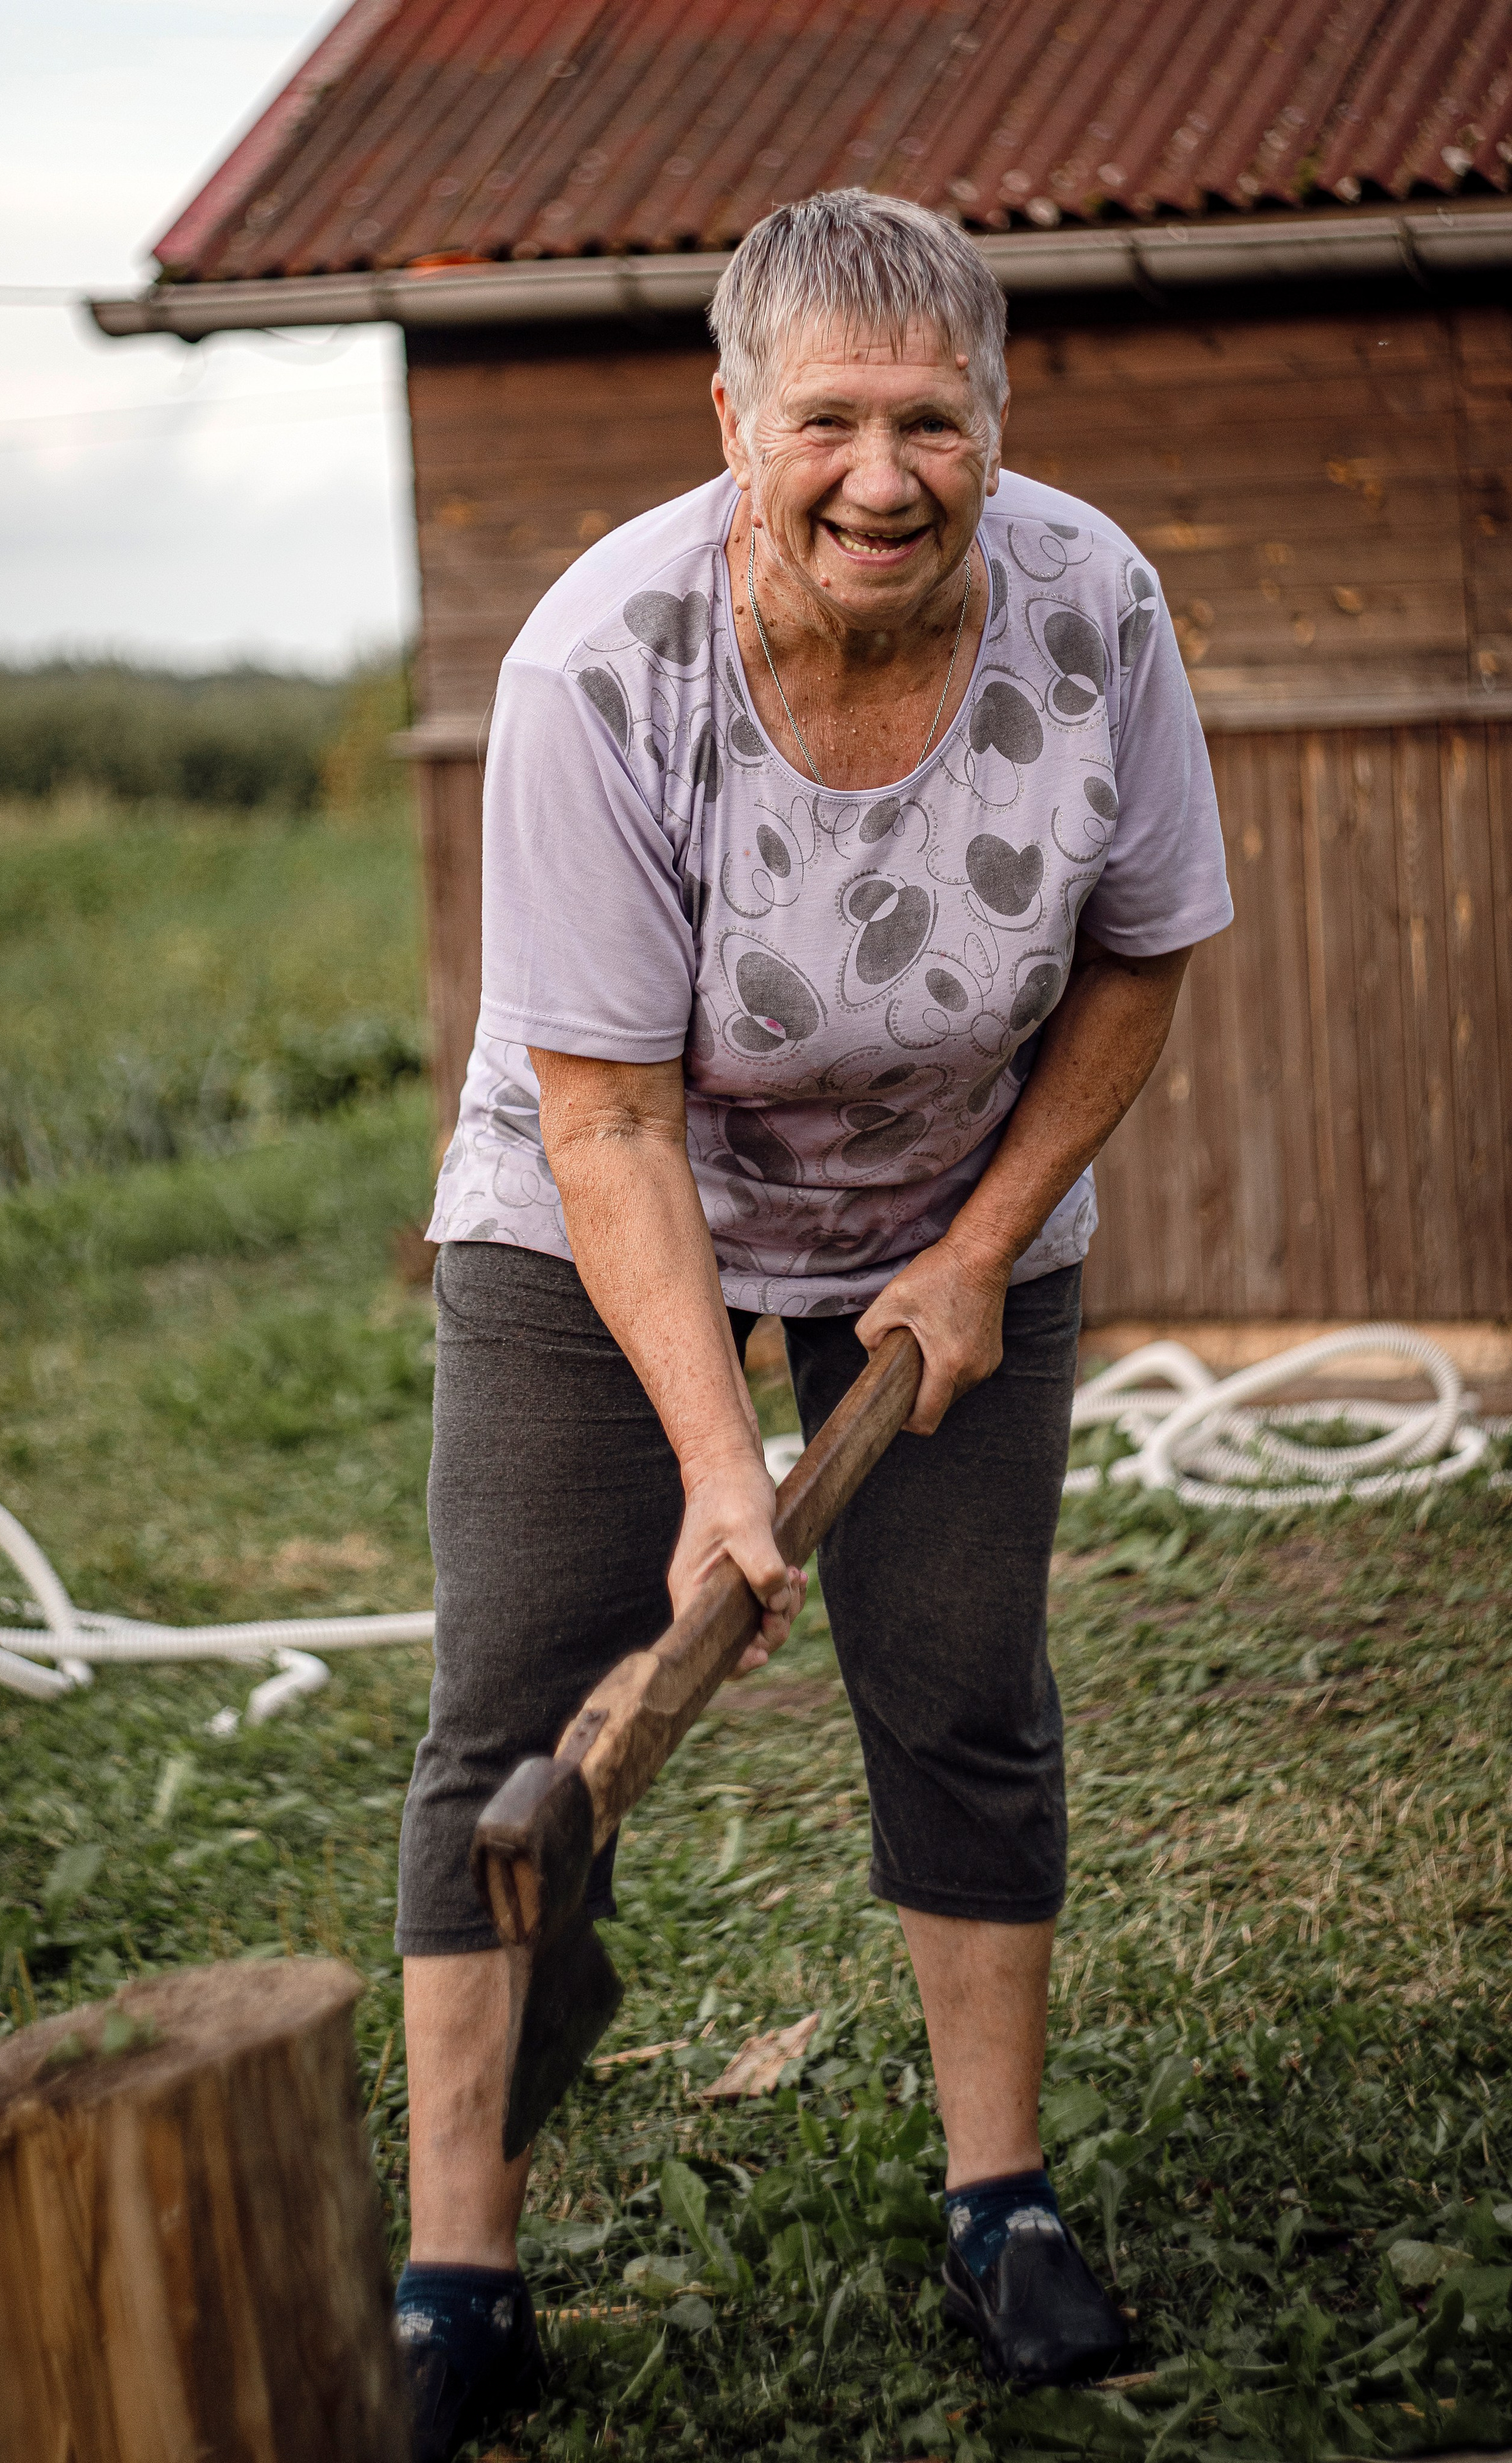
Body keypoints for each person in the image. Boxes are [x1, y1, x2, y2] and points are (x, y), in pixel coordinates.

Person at [391, 187, 1233, 2459]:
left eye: (932, 420)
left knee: (961, 1684)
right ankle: (457, 2261)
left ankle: (1001, 2202)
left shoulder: (1095, 612)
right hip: (606, 1207)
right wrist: (712, 1463)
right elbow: (607, 1119)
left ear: (998, 422)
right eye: (831, 421)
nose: (886, 472)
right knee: (517, 1718)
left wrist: (980, 1247)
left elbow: (1146, 948)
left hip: (959, 1198)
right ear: (734, 422)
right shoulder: (599, 667)